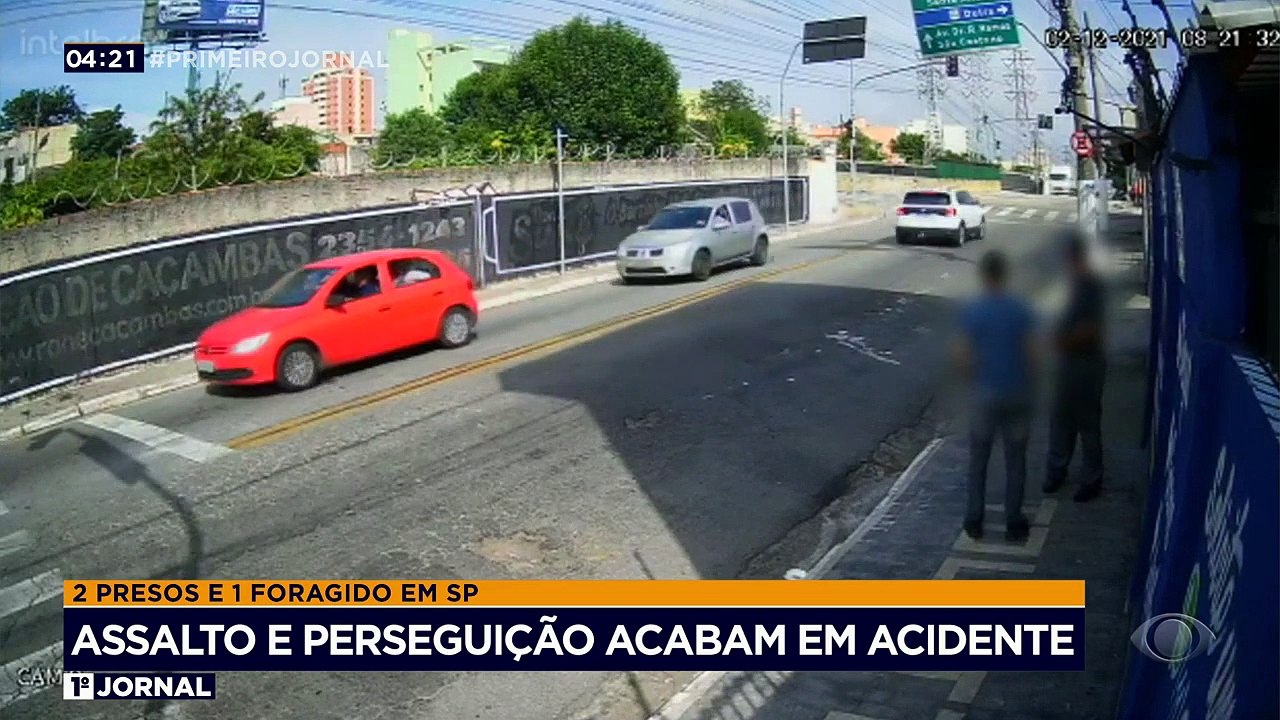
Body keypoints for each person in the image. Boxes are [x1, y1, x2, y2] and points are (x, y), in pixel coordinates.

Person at [955, 250, 1038, 541]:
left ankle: (974, 520)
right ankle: (1013, 521)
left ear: (985, 276)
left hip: (984, 397)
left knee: (978, 462)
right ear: (1006, 276)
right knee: (1016, 462)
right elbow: (1033, 353)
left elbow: (963, 358)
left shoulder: (974, 311)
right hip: (1016, 395)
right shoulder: (1021, 309)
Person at [1045, 232, 1106, 502]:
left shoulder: (1091, 287)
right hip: (1067, 362)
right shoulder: (1072, 284)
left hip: (1085, 363)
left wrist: (1059, 343)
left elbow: (1090, 331)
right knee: (1061, 419)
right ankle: (1057, 470)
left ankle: (1092, 478)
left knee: (1087, 423)